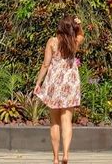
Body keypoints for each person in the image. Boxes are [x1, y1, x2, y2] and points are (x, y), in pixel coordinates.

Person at [34, 15, 83, 164]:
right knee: (67, 120)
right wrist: (78, 25)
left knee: (54, 122)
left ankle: (55, 158)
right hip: (70, 84)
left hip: (54, 84)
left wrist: (38, 83)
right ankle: (66, 154)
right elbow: (81, 35)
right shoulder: (74, 42)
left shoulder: (52, 42)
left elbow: (45, 64)